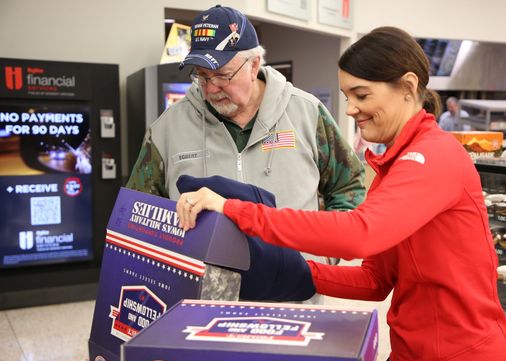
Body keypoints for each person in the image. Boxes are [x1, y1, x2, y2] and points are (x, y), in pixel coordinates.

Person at [177, 26, 506, 361]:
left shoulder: (436, 156)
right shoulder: (393, 165)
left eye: (361, 94)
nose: (351, 108)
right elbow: (376, 281)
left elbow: (361, 233)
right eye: (346, 95)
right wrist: (295, 272)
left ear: (407, 87)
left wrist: (237, 210)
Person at [126, 5, 366, 299]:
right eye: (201, 76)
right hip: (201, 305)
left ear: (254, 65)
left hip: (295, 300)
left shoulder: (308, 113)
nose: (211, 88)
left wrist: (323, 255)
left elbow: (349, 187)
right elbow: (139, 215)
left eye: (223, 75)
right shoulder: (166, 129)